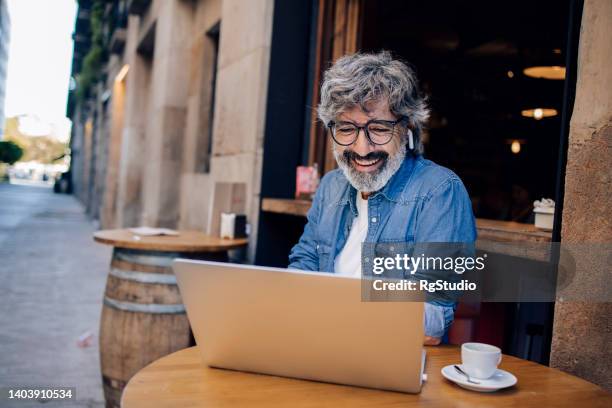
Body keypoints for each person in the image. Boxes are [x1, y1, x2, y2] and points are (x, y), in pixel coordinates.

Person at [288, 51, 477, 345]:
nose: (362, 149)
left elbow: (433, 315)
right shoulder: (330, 185)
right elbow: (305, 262)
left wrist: (336, 315)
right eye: (347, 129)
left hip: (386, 352)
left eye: (378, 129)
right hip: (316, 340)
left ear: (407, 129)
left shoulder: (439, 191)